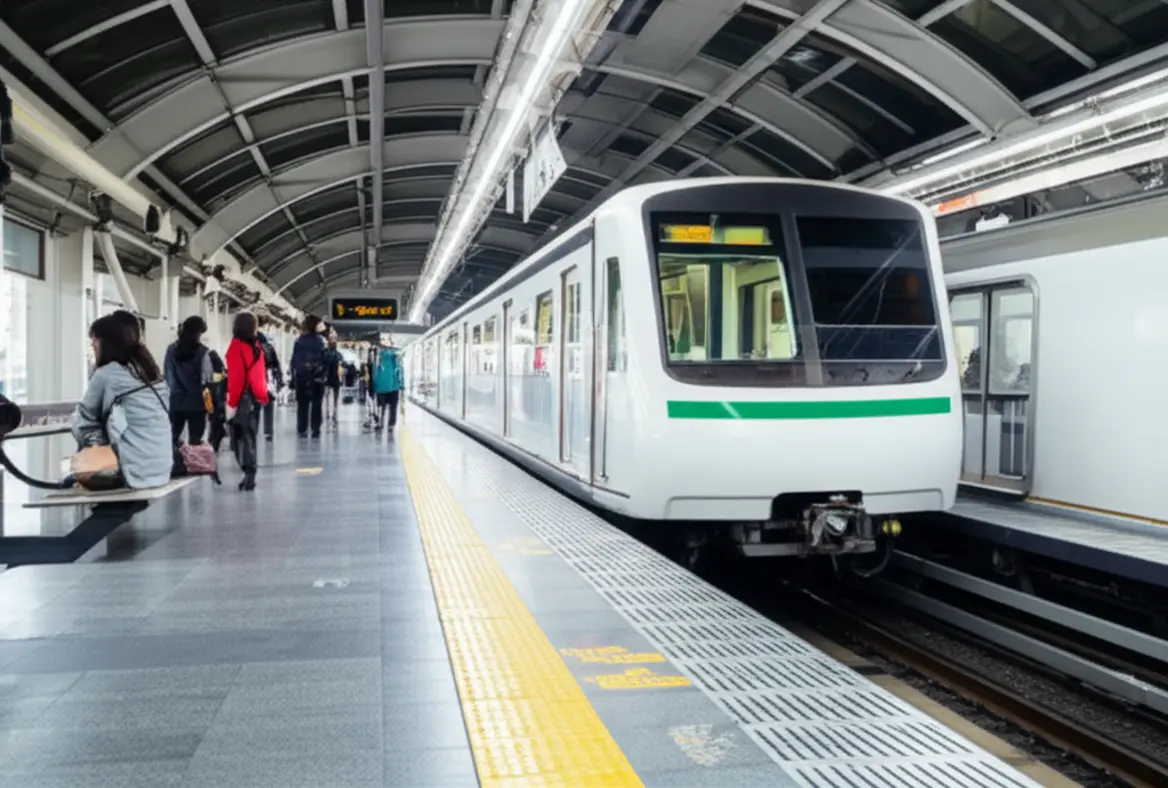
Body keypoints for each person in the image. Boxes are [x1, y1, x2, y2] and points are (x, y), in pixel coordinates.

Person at [72, 314, 173, 489]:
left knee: (82, 456)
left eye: (94, 340)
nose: (92, 346)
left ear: (106, 343)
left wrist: (96, 446)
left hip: (132, 472)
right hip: (162, 468)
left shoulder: (107, 374)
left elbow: (83, 420)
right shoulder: (151, 373)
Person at [225, 312, 269, 491]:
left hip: (242, 397)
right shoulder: (256, 346)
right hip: (255, 397)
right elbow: (259, 374)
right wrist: (262, 395)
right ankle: (250, 473)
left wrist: (232, 402)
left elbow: (237, 377)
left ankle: (248, 471)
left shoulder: (236, 347)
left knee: (239, 437)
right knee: (250, 435)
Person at [163, 316, 212, 445]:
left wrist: (176, 393)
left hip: (176, 402)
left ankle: (177, 463)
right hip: (197, 404)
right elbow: (207, 379)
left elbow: (169, 377)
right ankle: (193, 464)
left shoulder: (171, 350)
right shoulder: (204, 353)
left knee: (172, 439)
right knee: (195, 442)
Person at [290, 315, 327, 438]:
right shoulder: (321, 341)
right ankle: (315, 429)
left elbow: (294, 360)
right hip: (317, 378)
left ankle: (302, 429)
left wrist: (296, 373)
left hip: (302, 377)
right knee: (317, 404)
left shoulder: (299, 341)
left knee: (302, 405)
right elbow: (324, 359)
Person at [371, 341, 404, 434]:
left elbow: (375, 372)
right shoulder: (396, 356)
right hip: (394, 386)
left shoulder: (378, 356)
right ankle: (391, 425)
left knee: (381, 406)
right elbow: (400, 371)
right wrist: (401, 384)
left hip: (381, 386)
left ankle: (381, 422)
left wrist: (374, 384)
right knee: (393, 407)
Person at [257, 330, 283, 442]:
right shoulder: (269, 347)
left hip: (254, 381)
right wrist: (279, 380)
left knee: (254, 408)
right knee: (268, 407)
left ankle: (254, 430)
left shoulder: (250, 347)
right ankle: (268, 431)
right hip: (268, 380)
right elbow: (276, 364)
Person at [321, 339, 343, 426]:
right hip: (336, 377)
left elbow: (322, 363)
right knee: (335, 394)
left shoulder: (325, 353)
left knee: (326, 394)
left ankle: (327, 409)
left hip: (327, 376)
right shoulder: (338, 354)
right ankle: (334, 409)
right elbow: (342, 364)